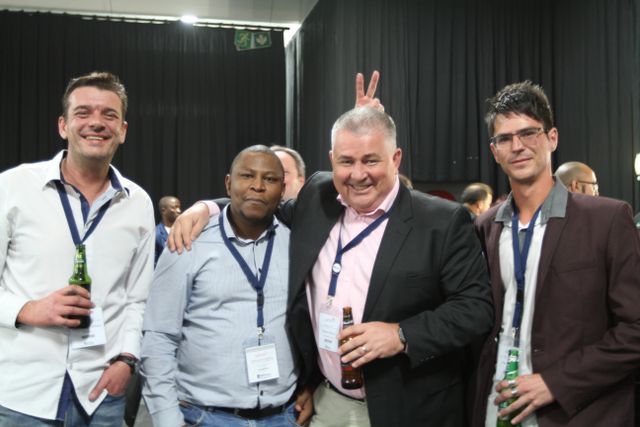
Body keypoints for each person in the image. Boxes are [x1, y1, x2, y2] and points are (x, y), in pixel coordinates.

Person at [168, 72, 493, 426]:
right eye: (346, 161)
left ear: (396, 158)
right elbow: (259, 204)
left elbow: (476, 309)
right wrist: (206, 207)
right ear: (331, 159)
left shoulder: (442, 220)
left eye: (371, 160)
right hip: (329, 401)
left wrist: (401, 334)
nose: (358, 174)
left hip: (411, 408)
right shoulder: (317, 198)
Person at [472, 81, 640, 426]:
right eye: (504, 138)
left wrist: (555, 382)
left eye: (528, 133)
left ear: (552, 138)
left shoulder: (606, 219)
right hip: (496, 405)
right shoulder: (486, 226)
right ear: (494, 151)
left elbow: (635, 329)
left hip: (576, 411)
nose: (517, 146)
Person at [0, 71, 154, 425]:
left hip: (101, 396)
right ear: (63, 125)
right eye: (83, 113)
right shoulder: (12, 188)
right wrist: (27, 309)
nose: (96, 123)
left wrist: (127, 360)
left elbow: (137, 299)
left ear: (123, 130)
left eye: (109, 115)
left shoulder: (138, 202)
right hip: (23, 394)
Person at [141, 145, 313, 427]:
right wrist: (167, 419)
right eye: (247, 176)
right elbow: (158, 337)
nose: (258, 186)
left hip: (283, 416)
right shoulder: (187, 242)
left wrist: (310, 385)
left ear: (283, 190)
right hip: (205, 416)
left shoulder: (296, 245)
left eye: (270, 179)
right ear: (228, 183)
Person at [154, 195, 181, 265]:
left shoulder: (184, 230)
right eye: (174, 207)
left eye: (179, 207)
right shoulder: (156, 234)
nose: (179, 211)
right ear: (163, 210)